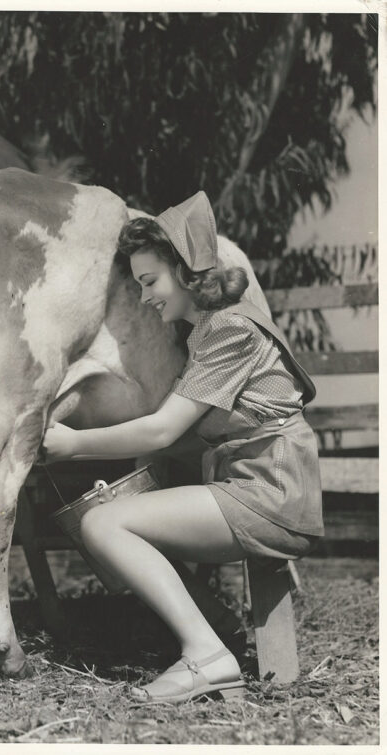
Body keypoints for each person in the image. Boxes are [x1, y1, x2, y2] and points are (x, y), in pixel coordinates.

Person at [42, 191, 324, 704]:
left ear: (186, 270)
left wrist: (73, 443)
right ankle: (219, 635)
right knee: (118, 513)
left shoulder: (229, 330)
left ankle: (205, 655)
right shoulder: (208, 331)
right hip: (257, 485)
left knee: (102, 523)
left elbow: (161, 431)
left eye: (150, 281)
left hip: (271, 493)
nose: (145, 297)